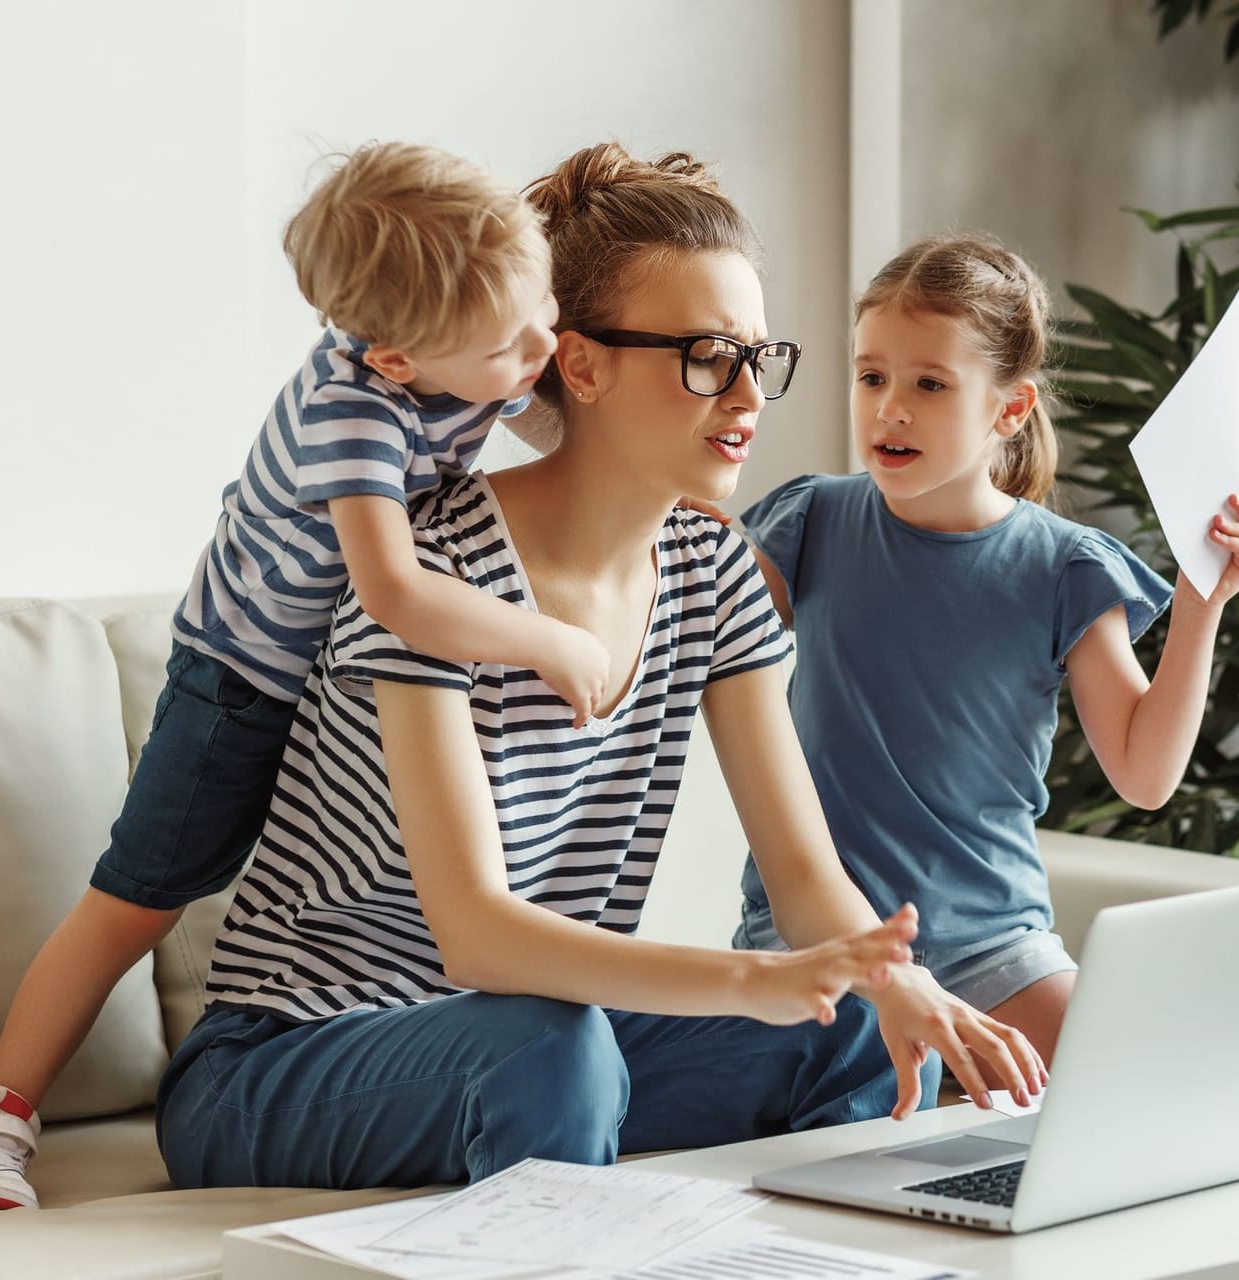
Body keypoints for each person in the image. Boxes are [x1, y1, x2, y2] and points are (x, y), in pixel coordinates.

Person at [153, 144, 1045, 1191]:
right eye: (711, 354)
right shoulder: (432, 567)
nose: (750, 392)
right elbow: (477, 935)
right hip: (288, 1056)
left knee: (847, 1023)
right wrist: (752, 976)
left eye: (762, 355)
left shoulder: (713, 568)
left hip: (525, 1041)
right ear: (579, 364)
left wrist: (897, 981)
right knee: (552, 1045)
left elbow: (806, 878)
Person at [0, 140, 596, 1209]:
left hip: (328, 687)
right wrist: (550, 636)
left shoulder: (471, 350)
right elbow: (397, 594)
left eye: (547, 309)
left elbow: (560, 418)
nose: (545, 348)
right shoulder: (349, 415)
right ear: (398, 360)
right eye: (516, 344)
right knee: (134, 899)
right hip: (241, 685)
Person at [732, 233, 1239, 1068]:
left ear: (1009, 409)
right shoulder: (809, 524)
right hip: (818, 947)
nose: (889, 409)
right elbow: (679, 644)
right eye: (872, 376)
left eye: (930, 384)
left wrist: (1202, 603)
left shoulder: (1067, 568)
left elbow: (1144, 773)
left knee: (1130, 1089)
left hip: (994, 951)